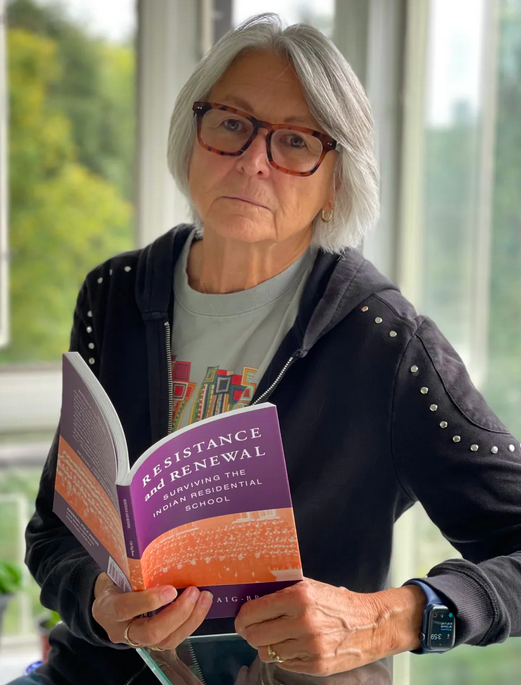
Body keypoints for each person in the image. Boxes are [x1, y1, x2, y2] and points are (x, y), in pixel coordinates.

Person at [8, 12, 521, 685]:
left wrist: (395, 617)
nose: (254, 161)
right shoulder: (116, 293)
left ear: (336, 178)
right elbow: (54, 532)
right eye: (231, 124)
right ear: (193, 135)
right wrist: (100, 603)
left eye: (296, 141)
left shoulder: (386, 342)